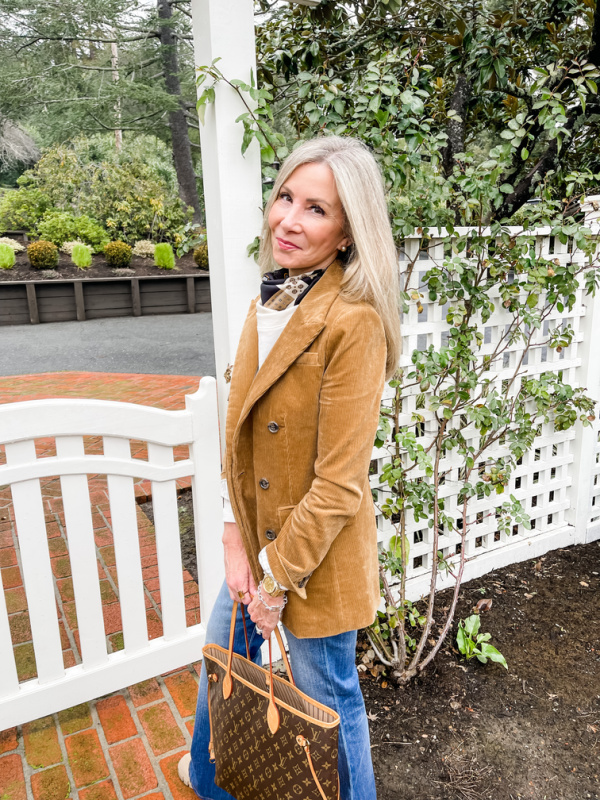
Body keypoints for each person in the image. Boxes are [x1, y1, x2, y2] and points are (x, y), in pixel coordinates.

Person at [178, 135, 401, 800]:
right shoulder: (270, 301)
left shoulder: (352, 321)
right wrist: (231, 533)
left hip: (314, 563)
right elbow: (239, 433)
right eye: (285, 198)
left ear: (347, 234)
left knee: (330, 705)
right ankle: (211, 777)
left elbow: (338, 486)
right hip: (256, 544)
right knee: (221, 665)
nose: (289, 219)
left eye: (316, 209)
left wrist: (274, 579)